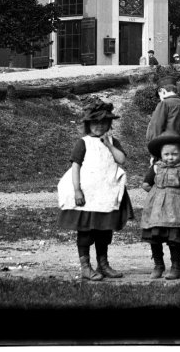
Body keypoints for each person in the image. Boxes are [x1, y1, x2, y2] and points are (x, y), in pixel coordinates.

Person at [56, 100, 133, 281]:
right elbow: (75, 167)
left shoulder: (113, 142)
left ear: (109, 124)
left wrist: (109, 145)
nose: (99, 126)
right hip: (88, 195)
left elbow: (121, 160)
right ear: (88, 124)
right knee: (86, 231)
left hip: (105, 193)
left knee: (104, 230)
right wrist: (77, 191)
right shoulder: (83, 143)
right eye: (95, 122)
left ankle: (103, 264)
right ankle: (85, 266)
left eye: (104, 122)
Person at [140, 132, 180, 280]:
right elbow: (146, 184)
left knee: (174, 239)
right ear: (160, 155)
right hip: (157, 211)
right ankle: (158, 265)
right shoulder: (155, 168)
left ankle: (175, 267)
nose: (170, 157)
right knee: (154, 237)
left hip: (175, 211)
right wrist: (157, 194)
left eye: (174, 154)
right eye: (166, 154)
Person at [146, 76, 180, 155]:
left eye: (159, 95)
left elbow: (156, 126)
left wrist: (154, 150)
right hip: (176, 146)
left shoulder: (164, 103)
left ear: (162, 91)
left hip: (162, 146)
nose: (160, 98)